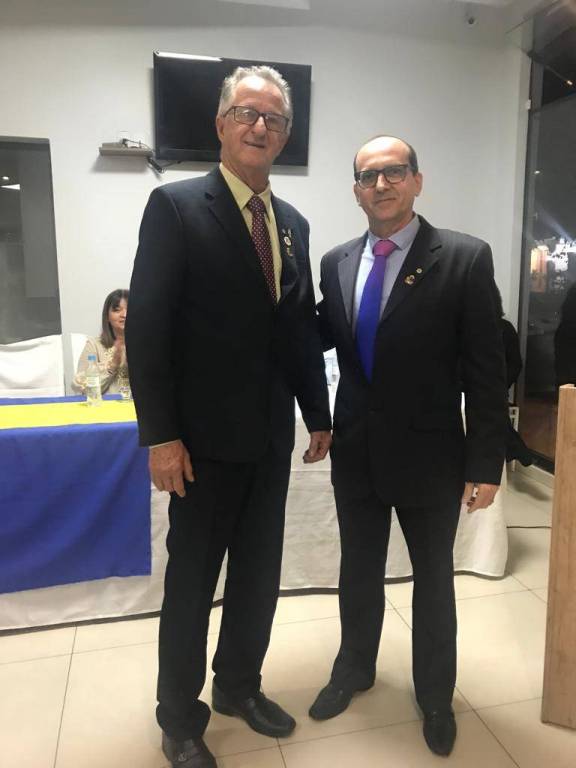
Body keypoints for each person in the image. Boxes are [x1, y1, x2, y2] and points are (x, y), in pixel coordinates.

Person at [126, 66, 331, 768]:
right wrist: (160, 435)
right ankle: (180, 718)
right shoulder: (176, 207)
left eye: (274, 118)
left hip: (270, 440)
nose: (260, 126)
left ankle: (239, 684)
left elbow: (296, 330)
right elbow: (148, 329)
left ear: (285, 135)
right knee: (191, 586)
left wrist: (318, 414)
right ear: (221, 124)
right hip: (200, 446)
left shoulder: (293, 225)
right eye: (247, 113)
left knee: (258, 577)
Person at [311, 135, 508, 756]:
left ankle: (435, 696)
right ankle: (354, 668)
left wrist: (487, 462)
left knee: (433, 580)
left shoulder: (464, 258)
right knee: (358, 570)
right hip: (357, 453)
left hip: (431, 456)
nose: (382, 185)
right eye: (368, 176)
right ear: (355, 191)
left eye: (395, 172)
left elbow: (487, 371)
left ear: (417, 181)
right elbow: (315, 337)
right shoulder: (336, 262)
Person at [72, 288, 129, 394]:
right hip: (106, 404)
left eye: (129, 309)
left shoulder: (147, 345)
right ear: (107, 317)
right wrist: (112, 365)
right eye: (117, 310)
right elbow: (82, 388)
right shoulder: (94, 345)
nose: (124, 315)